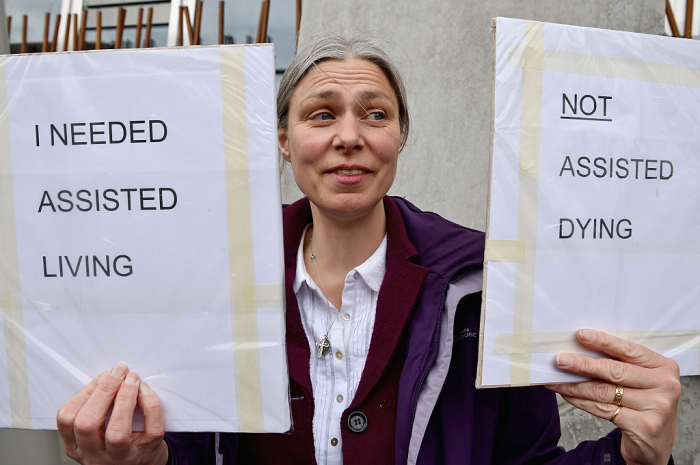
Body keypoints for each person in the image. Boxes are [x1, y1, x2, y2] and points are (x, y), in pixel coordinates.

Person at [57, 33, 681, 465]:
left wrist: (631, 456)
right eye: (321, 115)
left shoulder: (484, 291)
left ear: (400, 136)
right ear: (283, 141)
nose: (348, 137)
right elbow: (191, 449)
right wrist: (144, 454)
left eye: (375, 114)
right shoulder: (213, 279)